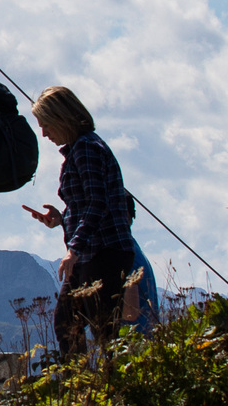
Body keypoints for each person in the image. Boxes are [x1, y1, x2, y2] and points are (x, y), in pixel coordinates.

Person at [22, 85, 141, 363]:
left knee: (97, 329)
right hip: (93, 251)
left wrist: (73, 249)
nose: (45, 133)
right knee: (70, 322)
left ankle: (99, 389)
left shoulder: (87, 149)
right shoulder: (83, 148)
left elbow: (97, 203)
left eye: (47, 125)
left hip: (102, 253)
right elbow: (91, 203)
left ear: (63, 119)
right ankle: (85, 389)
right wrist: (62, 220)